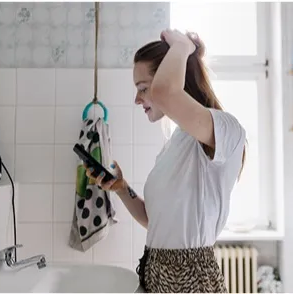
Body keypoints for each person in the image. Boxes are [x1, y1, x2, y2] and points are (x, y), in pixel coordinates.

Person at [85, 29, 246, 293]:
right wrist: (122, 189)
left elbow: (164, 92)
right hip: (155, 273)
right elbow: (155, 220)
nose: (138, 99)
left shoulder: (226, 129)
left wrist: (183, 47)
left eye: (143, 89)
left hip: (191, 282)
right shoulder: (175, 143)